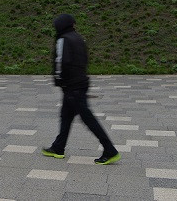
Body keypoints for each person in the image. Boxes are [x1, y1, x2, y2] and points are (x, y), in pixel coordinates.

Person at [42, 14, 121, 165]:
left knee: (88, 119)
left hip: (72, 86)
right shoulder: (78, 38)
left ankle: (110, 150)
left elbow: (61, 62)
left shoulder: (63, 39)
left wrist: (59, 80)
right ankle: (58, 148)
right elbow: (85, 59)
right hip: (80, 82)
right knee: (66, 116)